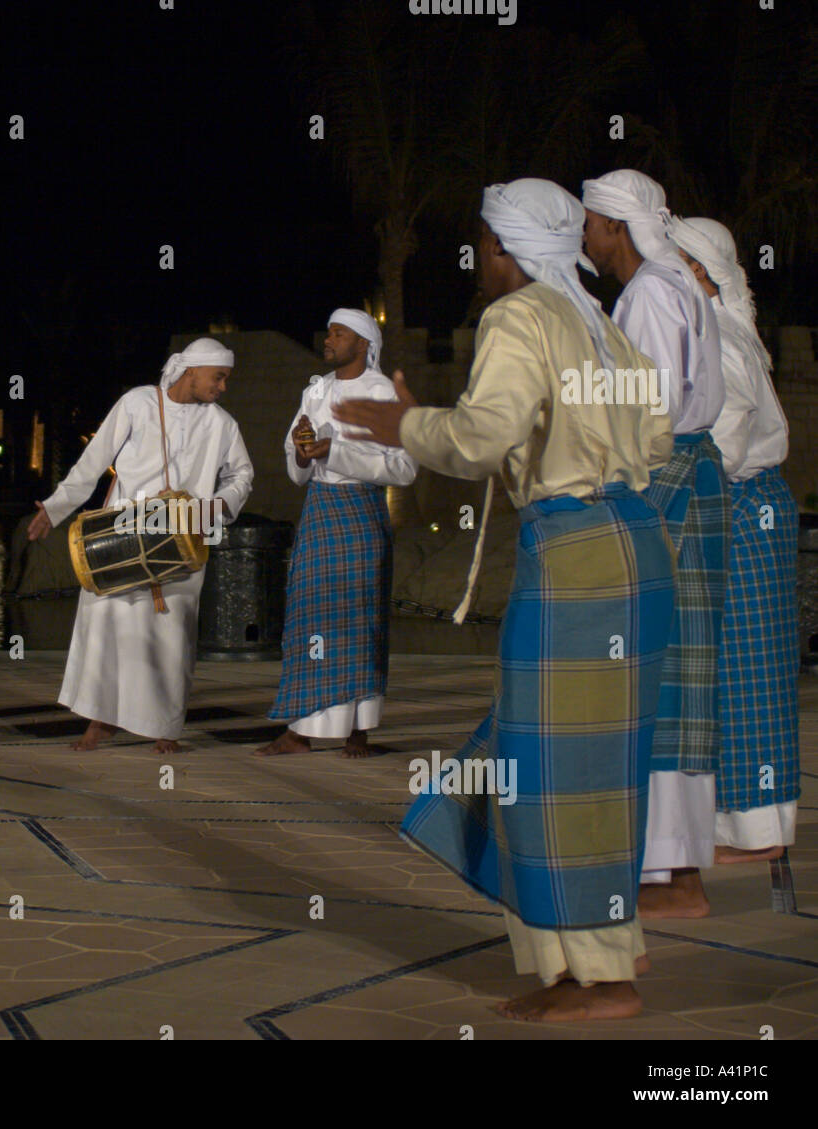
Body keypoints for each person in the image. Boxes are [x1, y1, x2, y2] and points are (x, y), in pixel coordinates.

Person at [334, 179, 675, 1022]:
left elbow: (481, 437)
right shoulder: (602, 331)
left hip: (576, 559)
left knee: (551, 765)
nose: (479, 260)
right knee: (586, 765)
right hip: (636, 550)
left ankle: (606, 982)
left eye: (486, 245)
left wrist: (404, 424)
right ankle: (576, 963)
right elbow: (660, 434)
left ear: (510, 251)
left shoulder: (520, 317)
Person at [582, 170, 728, 919]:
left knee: (654, 669)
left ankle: (665, 871)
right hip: (692, 472)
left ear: (615, 227)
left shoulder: (648, 293)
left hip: (660, 478)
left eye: (591, 222)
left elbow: (651, 404)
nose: (583, 234)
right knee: (681, 668)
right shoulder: (681, 284)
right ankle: (679, 873)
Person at [27, 338, 254, 755]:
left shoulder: (222, 424)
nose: (222, 387)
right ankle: (102, 720)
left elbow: (241, 475)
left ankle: (164, 726)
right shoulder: (137, 403)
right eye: (218, 378)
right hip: (122, 533)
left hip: (182, 538)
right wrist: (56, 508)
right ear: (192, 371)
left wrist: (216, 507)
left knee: (172, 633)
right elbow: (94, 461)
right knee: (109, 627)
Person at [670, 216, 799, 866]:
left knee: (744, 667)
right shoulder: (712, 329)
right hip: (741, 505)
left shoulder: (718, 334)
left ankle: (754, 826)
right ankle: (742, 822)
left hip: (742, 509)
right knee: (734, 667)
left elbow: (728, 431)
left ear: (700, 271)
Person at [256, 308, 416, 759]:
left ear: (363, 344)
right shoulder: (317, 390)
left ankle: (358, 731)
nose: (329, 339)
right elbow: (296, 460)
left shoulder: (383, 392)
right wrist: (305, 450)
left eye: (339, 333)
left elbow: (404, 468)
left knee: (357, 618)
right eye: (329, 331)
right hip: (319, 510)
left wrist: (337, 451)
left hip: (362, 511)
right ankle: (300, 730)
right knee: (308, 616)